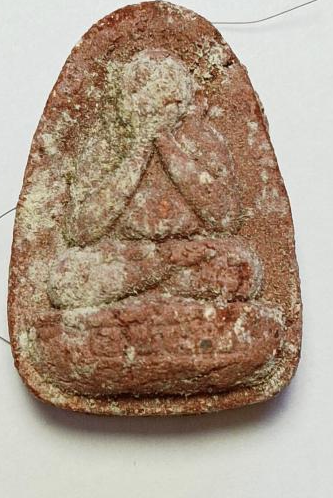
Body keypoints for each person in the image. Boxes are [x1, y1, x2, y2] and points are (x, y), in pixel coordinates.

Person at [47, 49, 263, 311]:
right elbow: (80, 230)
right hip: (127, 256)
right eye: (142, 93)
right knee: (65, 277)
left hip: (191, 253)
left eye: (166, 95)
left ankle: (142, 294)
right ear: (125, 101)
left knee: (242, 267)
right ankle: (157, 276)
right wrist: (138, 152)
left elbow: (226, 219)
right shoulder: (106, 147)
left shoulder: (202, 141)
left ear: (184, 99)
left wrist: (167, 146)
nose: (155, 104)